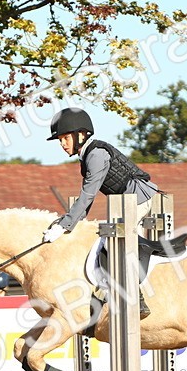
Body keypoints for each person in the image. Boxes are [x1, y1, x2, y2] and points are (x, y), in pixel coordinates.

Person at [43, 106, 161, 316]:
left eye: (65, 138)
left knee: (113, 239)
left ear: (80, 135)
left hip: (139, 199)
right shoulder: (88, 155)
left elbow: (88, 195)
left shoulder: (96, 155)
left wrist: (64, 225)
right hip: (129, 200)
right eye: (60, 139)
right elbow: (86, 201)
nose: (62, 144)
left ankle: (136, 295)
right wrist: (71, 225)